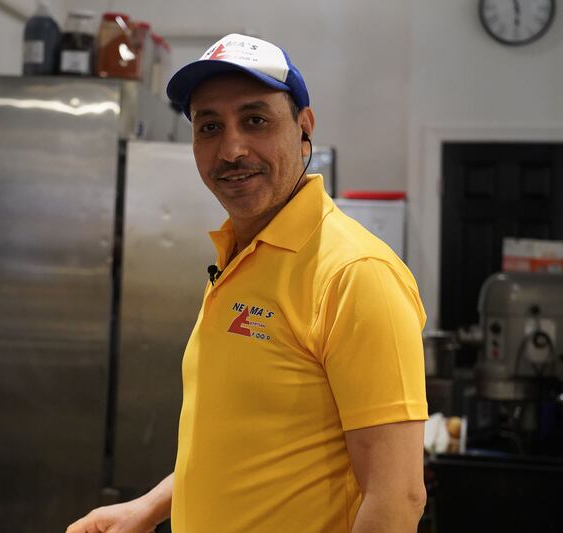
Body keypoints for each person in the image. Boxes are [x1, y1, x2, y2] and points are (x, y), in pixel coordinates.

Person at [67, 33, 428, 533]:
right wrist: (146, 508)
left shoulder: (355, 273)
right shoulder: (240, 257)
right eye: (209, 126)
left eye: (255, 120)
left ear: (304, 128)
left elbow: (397, 499)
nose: (231, 149)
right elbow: (243, 446)